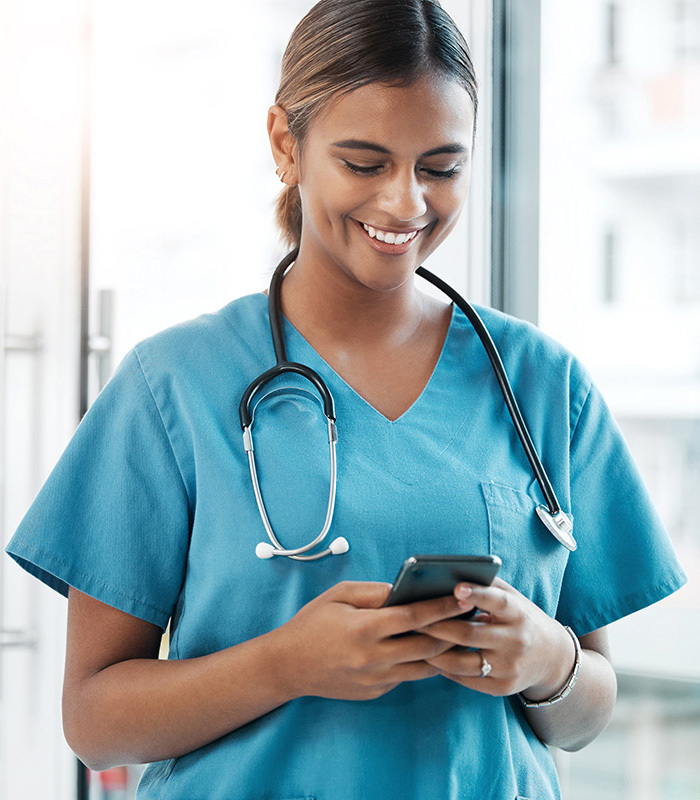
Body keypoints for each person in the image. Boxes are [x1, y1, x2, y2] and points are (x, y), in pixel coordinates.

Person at [5, 1, 686, 798]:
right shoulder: (174, 387)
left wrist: (548, 659)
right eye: (365, 163)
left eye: (441, 167)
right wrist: (284, 664)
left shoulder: (543, 383)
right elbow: (94, 722)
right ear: (285, 145)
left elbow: (583, 713)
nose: (406, 204)